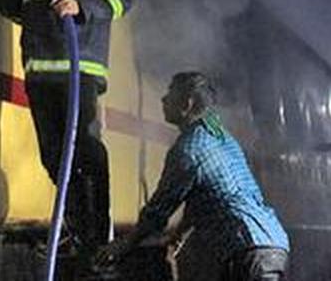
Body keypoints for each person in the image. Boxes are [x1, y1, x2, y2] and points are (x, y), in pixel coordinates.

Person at [0, 0, 136, 255]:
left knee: (83, 147)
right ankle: (76, 229)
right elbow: (17, 9)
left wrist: (82, 6)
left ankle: (97, 235)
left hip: (77, 69)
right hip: (40, 72)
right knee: (53, 155)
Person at [95, 72, 289, 281]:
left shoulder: (189, 148)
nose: (163, 99)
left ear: (187, 103)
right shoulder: (221, 136)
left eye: (170, 93)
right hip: (273, 244)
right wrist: (176, 240)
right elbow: (207, 198)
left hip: (245, 249)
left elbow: (159, 210)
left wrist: (123, 245)